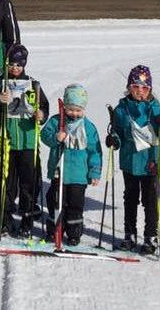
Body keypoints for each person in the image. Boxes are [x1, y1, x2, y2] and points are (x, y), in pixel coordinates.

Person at [107, 65, 160, 255]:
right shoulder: (122, 109)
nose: (140, 91)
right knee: (130, 199)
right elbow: (118, 133)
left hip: (150, 163)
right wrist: (114, 139)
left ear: (150, 90)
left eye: (145, 88)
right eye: (136, 87)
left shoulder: (154, 108)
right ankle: (129, 234)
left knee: (151, 200)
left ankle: (150, 236)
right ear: (129, 87)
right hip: (130, 162)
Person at [0, 44, 49, 237]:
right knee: (7, 184)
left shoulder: (33, 84)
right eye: (11, 64)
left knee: (28, 183)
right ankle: (5, 220)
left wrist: (41, 114)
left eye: (19, 64)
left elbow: (43, 107)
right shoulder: (1, 84)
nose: (15, 68)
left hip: (27, 141)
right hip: (7, 140)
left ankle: (27, 220)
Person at [41, 84, 102, 247]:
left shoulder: (88, 127)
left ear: (83, 109)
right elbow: (44, 136)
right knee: (55, 202)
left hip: (78, 176)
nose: (74, 113)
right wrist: (56, 137)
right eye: (70, 109)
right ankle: (54, 230)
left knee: (75, 205)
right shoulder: (56, 121)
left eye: (78, 110)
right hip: (58, 173)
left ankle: (74, 233)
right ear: (65, 107)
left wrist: (94, 172)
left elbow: (94, 151)